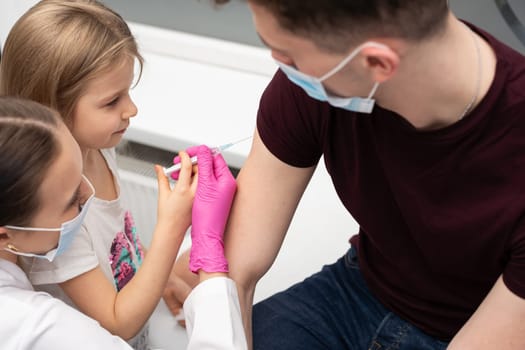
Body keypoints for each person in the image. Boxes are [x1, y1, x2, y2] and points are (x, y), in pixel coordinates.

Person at [165, 0, 525, 349]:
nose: (280, 64)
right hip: (356, 290)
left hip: (476, 323)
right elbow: (238, 275)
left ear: (377, 63)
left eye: (288, 54)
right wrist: (211, 266)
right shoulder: (312, 87)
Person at [1, 1, 198, 348]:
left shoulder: (99, 147)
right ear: (51, 108)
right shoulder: (58, 222)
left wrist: (161, 275)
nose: (131, 110)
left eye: (128, 92)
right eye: (112, 101)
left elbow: (121, 240)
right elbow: (118, 323)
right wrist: (172, 227)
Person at [0, 96, 247, 349]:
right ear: (4, 236)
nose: (90, 193)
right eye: (73, 198)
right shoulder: (48, 328)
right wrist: (205, 247)